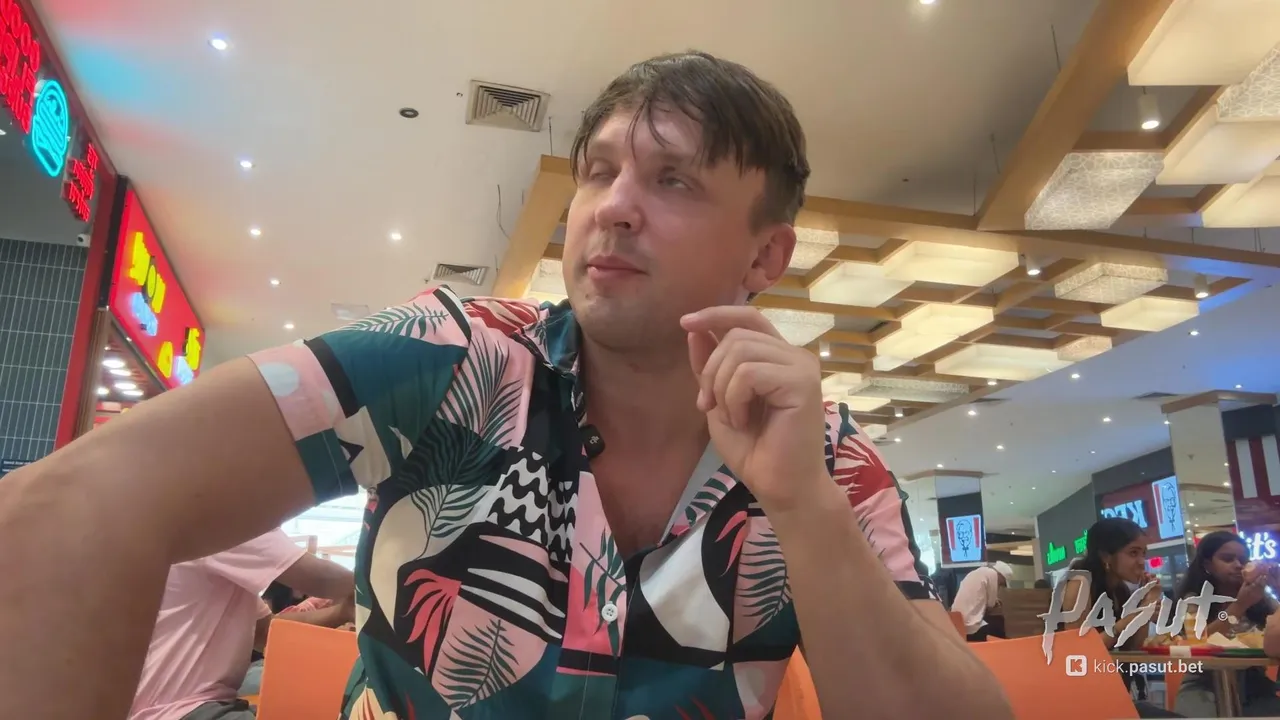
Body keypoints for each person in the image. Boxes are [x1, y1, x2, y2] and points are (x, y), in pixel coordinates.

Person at [0, 51, 1012, 719]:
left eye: (672, 180)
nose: (612, 208)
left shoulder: (824, 458)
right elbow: (68, 503)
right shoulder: (450, 359)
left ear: (766, 255)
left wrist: (803, 509)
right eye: (600, 172)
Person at [129, 529, 355, 720]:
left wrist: (341, 612)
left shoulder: (225, 578)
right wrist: (371, 585)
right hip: (180, 709)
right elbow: (321, 578)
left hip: (177, 706)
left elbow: (267, 631)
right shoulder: (227, 519)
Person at [1174, 531, 1280, 717]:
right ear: (1207, 564)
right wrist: (1239, 606)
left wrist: (1277, 588)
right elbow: (1198, 641)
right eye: (1228, 559)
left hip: (1255, 683)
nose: (1238, 565)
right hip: (1204, 682)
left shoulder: (1260, 597)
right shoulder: (1194, 599)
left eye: (1243, 560)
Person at [951, 561, 1013, 641]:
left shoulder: (977, 572)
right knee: (997, 623)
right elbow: (991, 604)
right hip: (970, 624)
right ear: (1001, 576)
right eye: (1002, 583)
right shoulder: (993, 574)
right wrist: (996, 602)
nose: (1000, 585)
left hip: (956, 619)